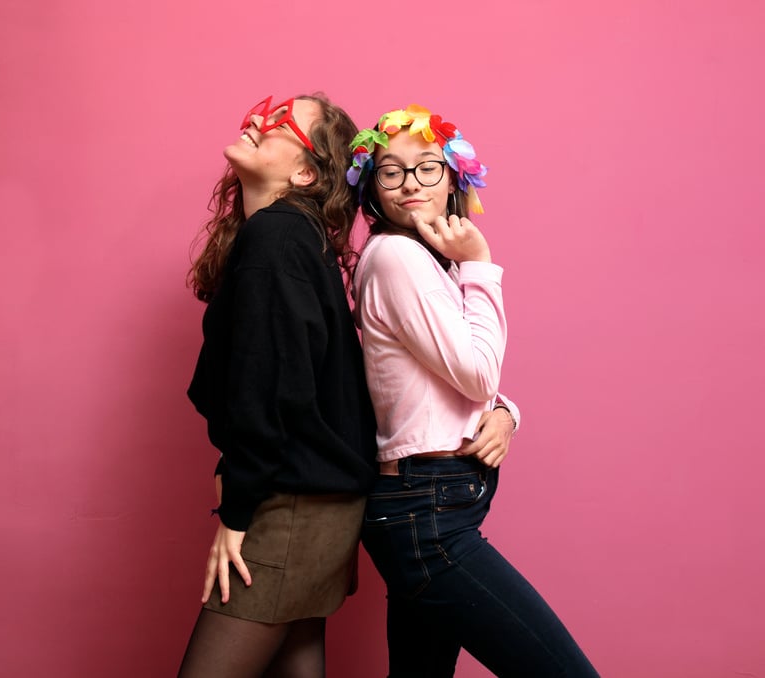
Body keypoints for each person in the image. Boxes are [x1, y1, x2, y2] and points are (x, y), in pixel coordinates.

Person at [347, 105, 598, 677]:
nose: (410, 183)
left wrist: (505, 414)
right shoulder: (396, 257)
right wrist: (482, 265)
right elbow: (477, 374)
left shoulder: (431, 263)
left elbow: (445, 385)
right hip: (426, 514)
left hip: (428, 504)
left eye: (428, 167)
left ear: (454, 179)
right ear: (373, 190)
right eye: (390, 171)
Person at [178, 94, 377, 678]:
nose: (259, 120)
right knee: (296, 663)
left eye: (282, 120)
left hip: (292, 503)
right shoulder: (288, 237)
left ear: (305, 172)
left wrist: (237, 513)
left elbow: (271, 391)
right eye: (264, 109)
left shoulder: (276, 239)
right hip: (316, 500)